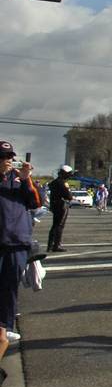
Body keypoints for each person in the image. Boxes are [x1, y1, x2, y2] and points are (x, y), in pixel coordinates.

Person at [1, 140, 41, 373]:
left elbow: (36, 202)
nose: (7, 160)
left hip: (16, 242)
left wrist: (26, 179)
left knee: (9, 288)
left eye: (9, 156)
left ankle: (6, 326)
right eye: (3, 157)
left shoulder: (18, 179)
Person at [47, 164, 73, 252]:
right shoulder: (62, 183)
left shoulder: (54, 182)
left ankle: (50, 245)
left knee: (55, 225)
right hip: (61, 205)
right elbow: (69, 196)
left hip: (54, 205)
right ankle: (56, 245)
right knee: (59, 226)